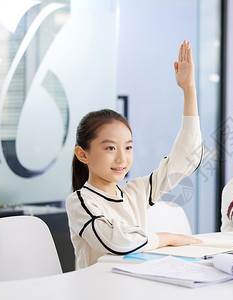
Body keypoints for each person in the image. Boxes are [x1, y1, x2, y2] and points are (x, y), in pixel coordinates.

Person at [66, 41, 203, 268]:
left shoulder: (135, 192)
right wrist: (169, 238)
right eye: (110, 148)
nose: (122, 158)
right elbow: (118, 242)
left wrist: (189, 91)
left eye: (128, 147)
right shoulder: (81, 201)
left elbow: (186, 159)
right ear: (83, 154)